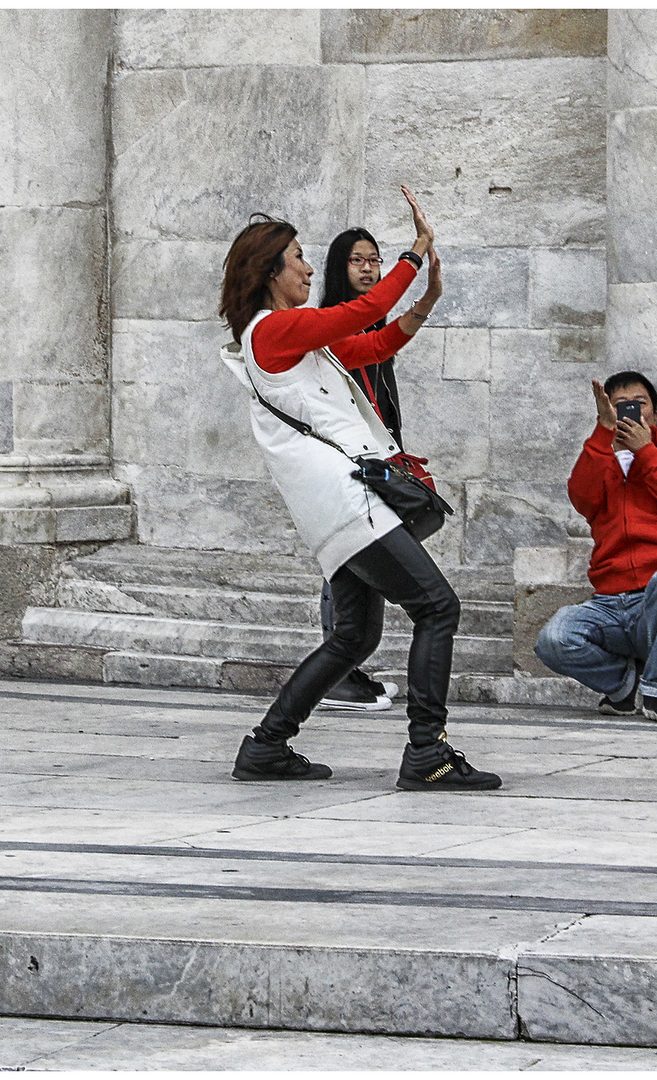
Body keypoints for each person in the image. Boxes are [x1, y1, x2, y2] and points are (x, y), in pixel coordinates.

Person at [217, 187, 499, 791]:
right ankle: (427, 750)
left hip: (341, 506)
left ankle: (266, 745)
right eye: (298, 257)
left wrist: (424, 303)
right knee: (437, 607)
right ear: (270, 272)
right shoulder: (272, 332)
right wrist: (414, 254)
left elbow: (371, 343)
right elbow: (357, 314)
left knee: (355, 634)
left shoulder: (293, 337)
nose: (309, 267)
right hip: (348, 504)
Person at [534, 371, 657, 725]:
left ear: (654, 415)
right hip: (609, 603)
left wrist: (645, 451)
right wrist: (603, 432)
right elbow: (582, 499)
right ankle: (623, 686)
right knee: (553, 638)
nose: (632, 411)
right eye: (620, 406)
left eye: (640, 404)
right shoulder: (599, 454)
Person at [312, 224, 438, 713]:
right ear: (338, 269)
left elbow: (382, 353)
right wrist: (417, 255)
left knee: (362, 552)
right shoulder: (332, 322)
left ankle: (343, 669)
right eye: (357, 260)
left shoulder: (366, 323)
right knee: (349, 553)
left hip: (375, 451)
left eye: (374, 260)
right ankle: (338, 671)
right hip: (348, 456)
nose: (368, 269)